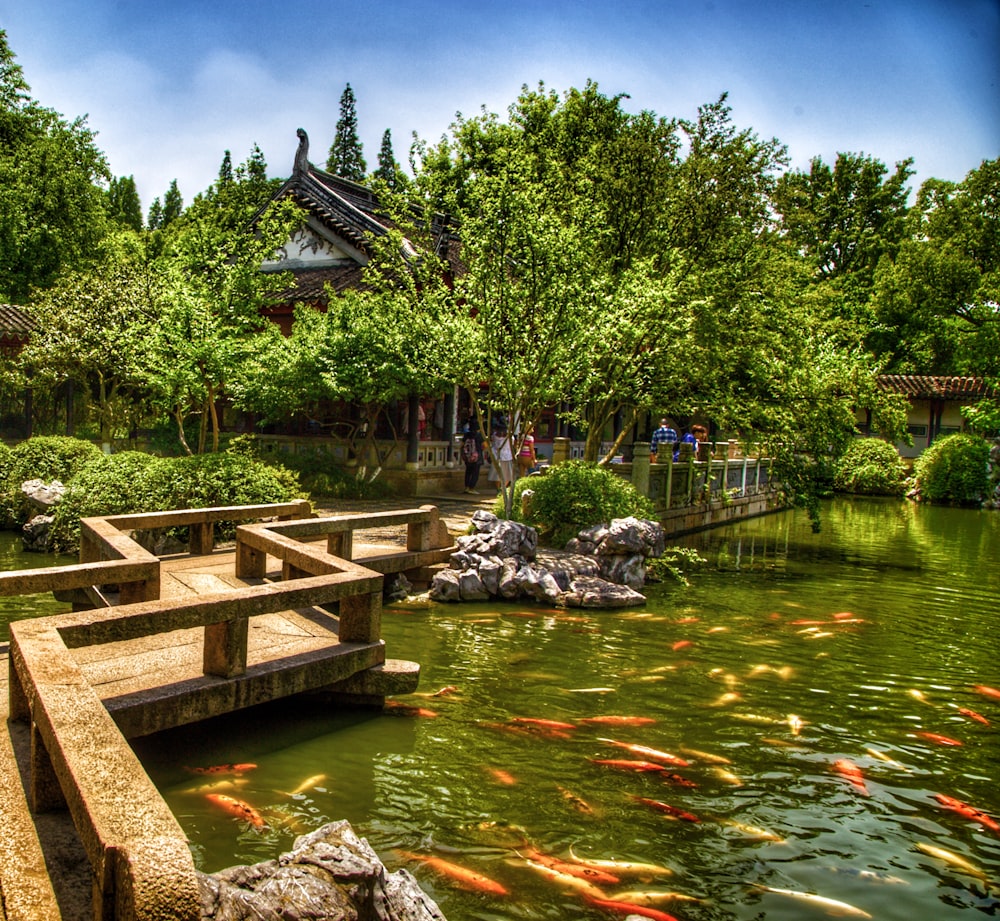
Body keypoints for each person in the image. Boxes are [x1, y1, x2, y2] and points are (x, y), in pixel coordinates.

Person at [460, 415, 484, 494]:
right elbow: (485, 445)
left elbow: (462, 445)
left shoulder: (466, 435)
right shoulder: (479, 435)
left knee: (468, 472)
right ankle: (471, 488)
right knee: (475, 473)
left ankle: (466, 487)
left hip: (468, 457)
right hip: (477, 456)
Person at [489, 425, 514, 492]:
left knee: (497, 474)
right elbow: (513, 444)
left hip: (497, 456)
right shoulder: (510, 436)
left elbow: (492, 443)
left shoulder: (494, 436)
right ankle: (503, 488)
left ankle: (498, 489)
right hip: (507, 456)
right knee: (507, 474)